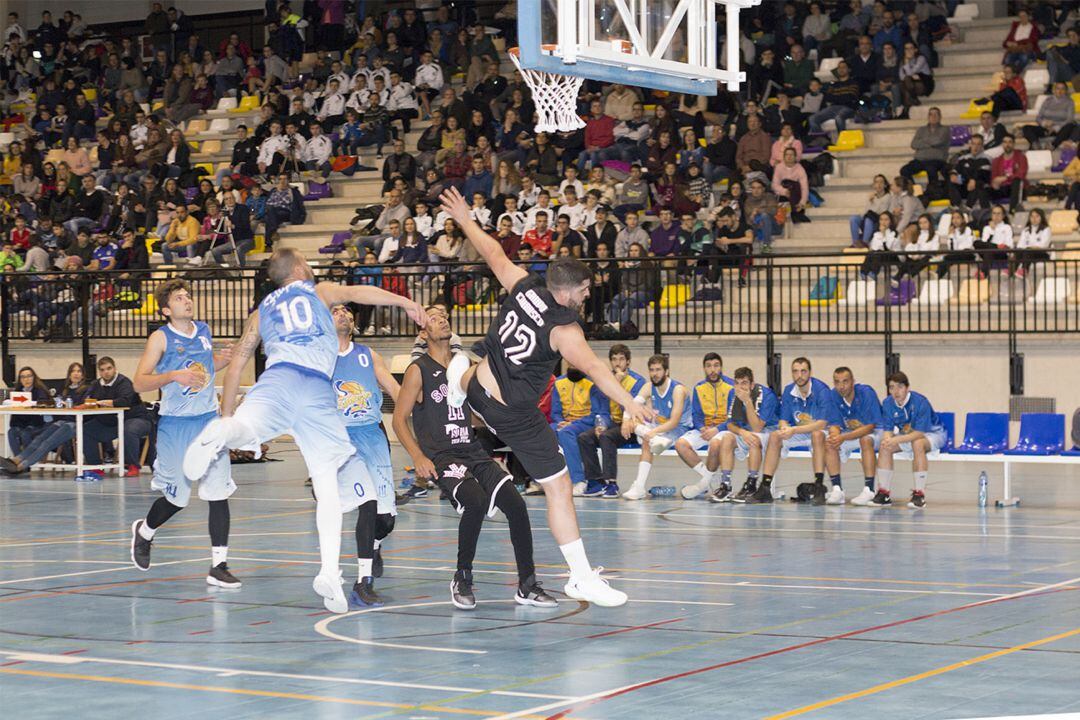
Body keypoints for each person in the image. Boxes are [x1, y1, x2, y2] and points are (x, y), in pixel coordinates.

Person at [438, 186, 654, 607]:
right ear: (568, 292)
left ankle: (458, 375)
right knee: (560, 488)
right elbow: (596, 370)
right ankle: (579, 577)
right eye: (586, 290)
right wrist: (629, 403)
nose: (588, 296)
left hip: (482, 386)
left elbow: (493, 254)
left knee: (475, 370)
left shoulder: (525, 286)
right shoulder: (564, 330)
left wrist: (465, 219)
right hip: (513, 413)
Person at [182, 249, 426, 614]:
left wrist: (227, 410)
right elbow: (361, 292)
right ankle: (328, 571)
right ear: (298, 269)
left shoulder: (262, 310)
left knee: (246, 428)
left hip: (278, 379)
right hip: (316, 391)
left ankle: (222, 431)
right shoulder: (318, 290)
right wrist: (404, 301)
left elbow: (237, 365)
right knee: (327, 483)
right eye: (306, 263)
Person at [392, 309, 557, 610]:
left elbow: (478, 412)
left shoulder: (465, 366)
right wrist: (417, 455)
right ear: (423, 333)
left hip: (472, 450)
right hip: (443, 455)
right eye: (432, 317)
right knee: (475, 502)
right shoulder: (418, 370)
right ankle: (462, 577)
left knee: (517, 506)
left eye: (443, 315)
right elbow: (399, 420)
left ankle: (527, 584)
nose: (441, 319)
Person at [128, 280, 238, 588]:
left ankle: (219, 565)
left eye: (188, 296)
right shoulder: (159, 338)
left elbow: (204, 368)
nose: (187, 300)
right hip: (176, 424)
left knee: (218, 492)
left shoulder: (203, 330)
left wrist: (222, 360)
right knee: (177, 498)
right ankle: (145, 532)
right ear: (166, 309)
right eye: (179, 297)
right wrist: (173, 375)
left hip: (206, 420)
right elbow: (139, 383)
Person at [329, 303, 400, 607]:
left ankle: (374, 544)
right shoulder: (318, 359)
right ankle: (362, 582)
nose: (343, 314)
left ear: (354, 323)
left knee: (386, 518)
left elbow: (397, 391)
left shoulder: (369, 355)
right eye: (335, 311)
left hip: (373, 435)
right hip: (343, 441)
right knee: (367, 505)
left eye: (347, 311)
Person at [751, 357, 841, 504]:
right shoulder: (789, 390)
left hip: (821, 430)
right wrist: (784, 428)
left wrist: (793, 430)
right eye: (795, 372)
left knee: (817, 435)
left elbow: (821, 424)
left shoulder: (821, 390)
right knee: (775, 436)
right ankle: (765, 487)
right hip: (798, 431)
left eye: (803, 371)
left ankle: (818, 486)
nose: (799, 375)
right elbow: (783, 419)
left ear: (810, 373)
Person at [576, 344, 647, 498]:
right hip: (612, 424)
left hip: (632, 425)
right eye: (614, 359)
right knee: (584, 438)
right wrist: (601, 424)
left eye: (621, 359)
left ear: (628, 362)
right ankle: (595, 481)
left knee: (606, 437)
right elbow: (600, 406)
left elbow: (633, 407)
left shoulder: (637, 382)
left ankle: (611, 483)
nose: (617, 363)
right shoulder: (605, 380)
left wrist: (618, 384)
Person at [620, 354, 693, 501]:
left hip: (679, 429)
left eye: (658, 369)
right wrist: (625, 421)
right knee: (633, 420)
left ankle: (639, 487)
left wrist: (651, 432)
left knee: (646, 441)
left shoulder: (678, 390)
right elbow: (633, 405)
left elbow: (674, 422)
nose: (654, 373)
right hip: (659, 429)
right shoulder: (648, 387)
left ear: (666, 371)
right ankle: (653, 439)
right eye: (652, 370)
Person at [870, 372, 947, 509]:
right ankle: (884, 493)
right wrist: (888, 440)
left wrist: (896, 439)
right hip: (906, 435)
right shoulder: (887, 403)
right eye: (892, 387)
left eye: (900, 387)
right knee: (885, 446)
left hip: (933, 433)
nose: (896, 391)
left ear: (907, 388)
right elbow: (888, 429)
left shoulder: (920, 402)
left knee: (917, 443)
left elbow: (919, 433)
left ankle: (919, 494)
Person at [705, 366, 780, 503]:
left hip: (768, 431)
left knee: (753, 438)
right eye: (737, 383)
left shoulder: (767, 395)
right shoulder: (732, 394)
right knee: (727, 438)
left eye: (744, 383)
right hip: (746, 430)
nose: (740, 387)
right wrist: (742, 432)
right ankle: (725, 485)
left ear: (752, 384)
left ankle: (751, 484)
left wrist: (748, 401)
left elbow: (757, 427)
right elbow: (729, 424)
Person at [81, 357, 154, 475]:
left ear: (115, 368)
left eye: (109, 368)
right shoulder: (95, 384)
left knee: (129, 429)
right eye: (102, 369)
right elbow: (88, 399)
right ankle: (95, 466)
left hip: (137, 419)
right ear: (99, 372)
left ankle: (132, 466)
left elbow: (124, 401)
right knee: (84, 430)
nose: (106, 372)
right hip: (113, 422)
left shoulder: (124, 382)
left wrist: (105, 402)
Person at [677, 354, 735, 499]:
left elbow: (734, 417)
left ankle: (703, 485)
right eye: (708, 366)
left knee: (715, 445)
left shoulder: (732, 387)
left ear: (721, 367)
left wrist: (717, 429)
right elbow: (696, 414)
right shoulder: (699, 387)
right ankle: (710, 479)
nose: (712, 370)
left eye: (716, 365)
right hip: (705, 428)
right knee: (681, 445)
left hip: (725, 429)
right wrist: (701, 427)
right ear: (704, 368)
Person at [827, 367, 883, 507]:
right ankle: (837, 490)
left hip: (877, 431)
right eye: (837, 382)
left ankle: (869, 489)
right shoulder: (833, 395)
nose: (841, 386)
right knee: (829, 442)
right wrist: (835, 436)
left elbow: (870, 426)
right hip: (851, 434)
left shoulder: (866, 393)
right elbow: (834, 423)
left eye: (845, 381)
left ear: (853, 382)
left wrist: (843, 438)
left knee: (866, 440)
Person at [550, 366, 605, 493]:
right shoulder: (559, 383)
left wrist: (572, 424)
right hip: (564, 423)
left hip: (585, 422)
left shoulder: (592, 383)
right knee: (545, 432)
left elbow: (595, 413)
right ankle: (545, 479)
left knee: (566, 433)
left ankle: (578, 480)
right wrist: (560, 422)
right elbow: (555, 412)